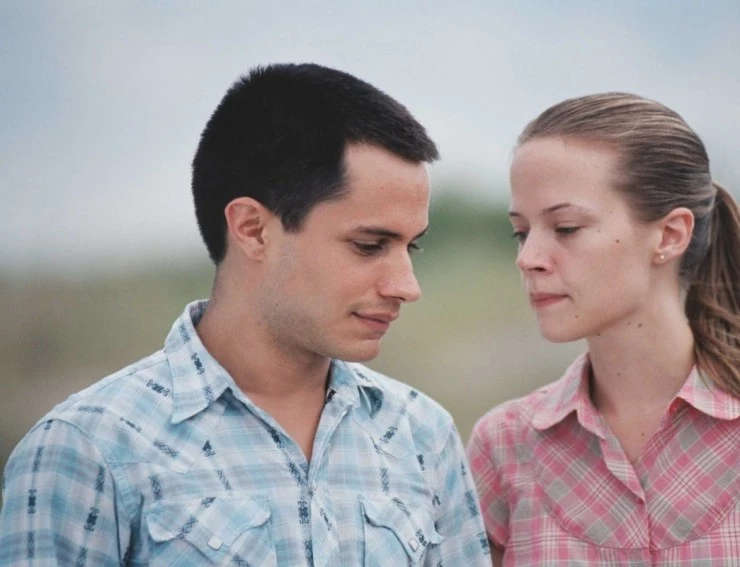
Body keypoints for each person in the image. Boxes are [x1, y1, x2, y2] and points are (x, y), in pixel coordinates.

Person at [0, 63, 490, 566]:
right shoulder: (87, 450)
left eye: (413, 247)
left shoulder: (422, 435)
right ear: (253, 230)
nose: (407, 286)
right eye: (369, 245)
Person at [467, 92, 740, 566]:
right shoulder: (503, 446)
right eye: (521, 232)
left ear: (670, 234)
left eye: (566, 227)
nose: (528, 258)